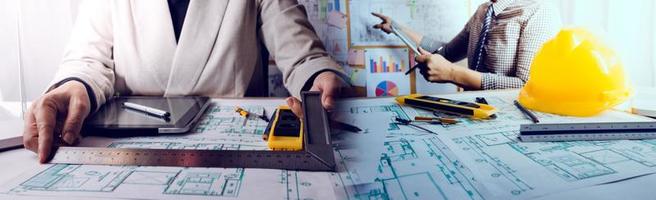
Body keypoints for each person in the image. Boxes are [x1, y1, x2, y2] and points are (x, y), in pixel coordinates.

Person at [23, 0, 350, 162]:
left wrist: (318, 77)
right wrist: (73, 87)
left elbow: (302, 53)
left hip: (235, 154)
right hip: (128, 154)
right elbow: (87, 61)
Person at [373, 0, 561, 90]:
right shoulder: (484, 10)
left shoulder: (541, 11)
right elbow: (446, 52)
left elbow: (527, 86)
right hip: (475, 111)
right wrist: (397, 28)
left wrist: (452, 74)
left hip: (511, 123)